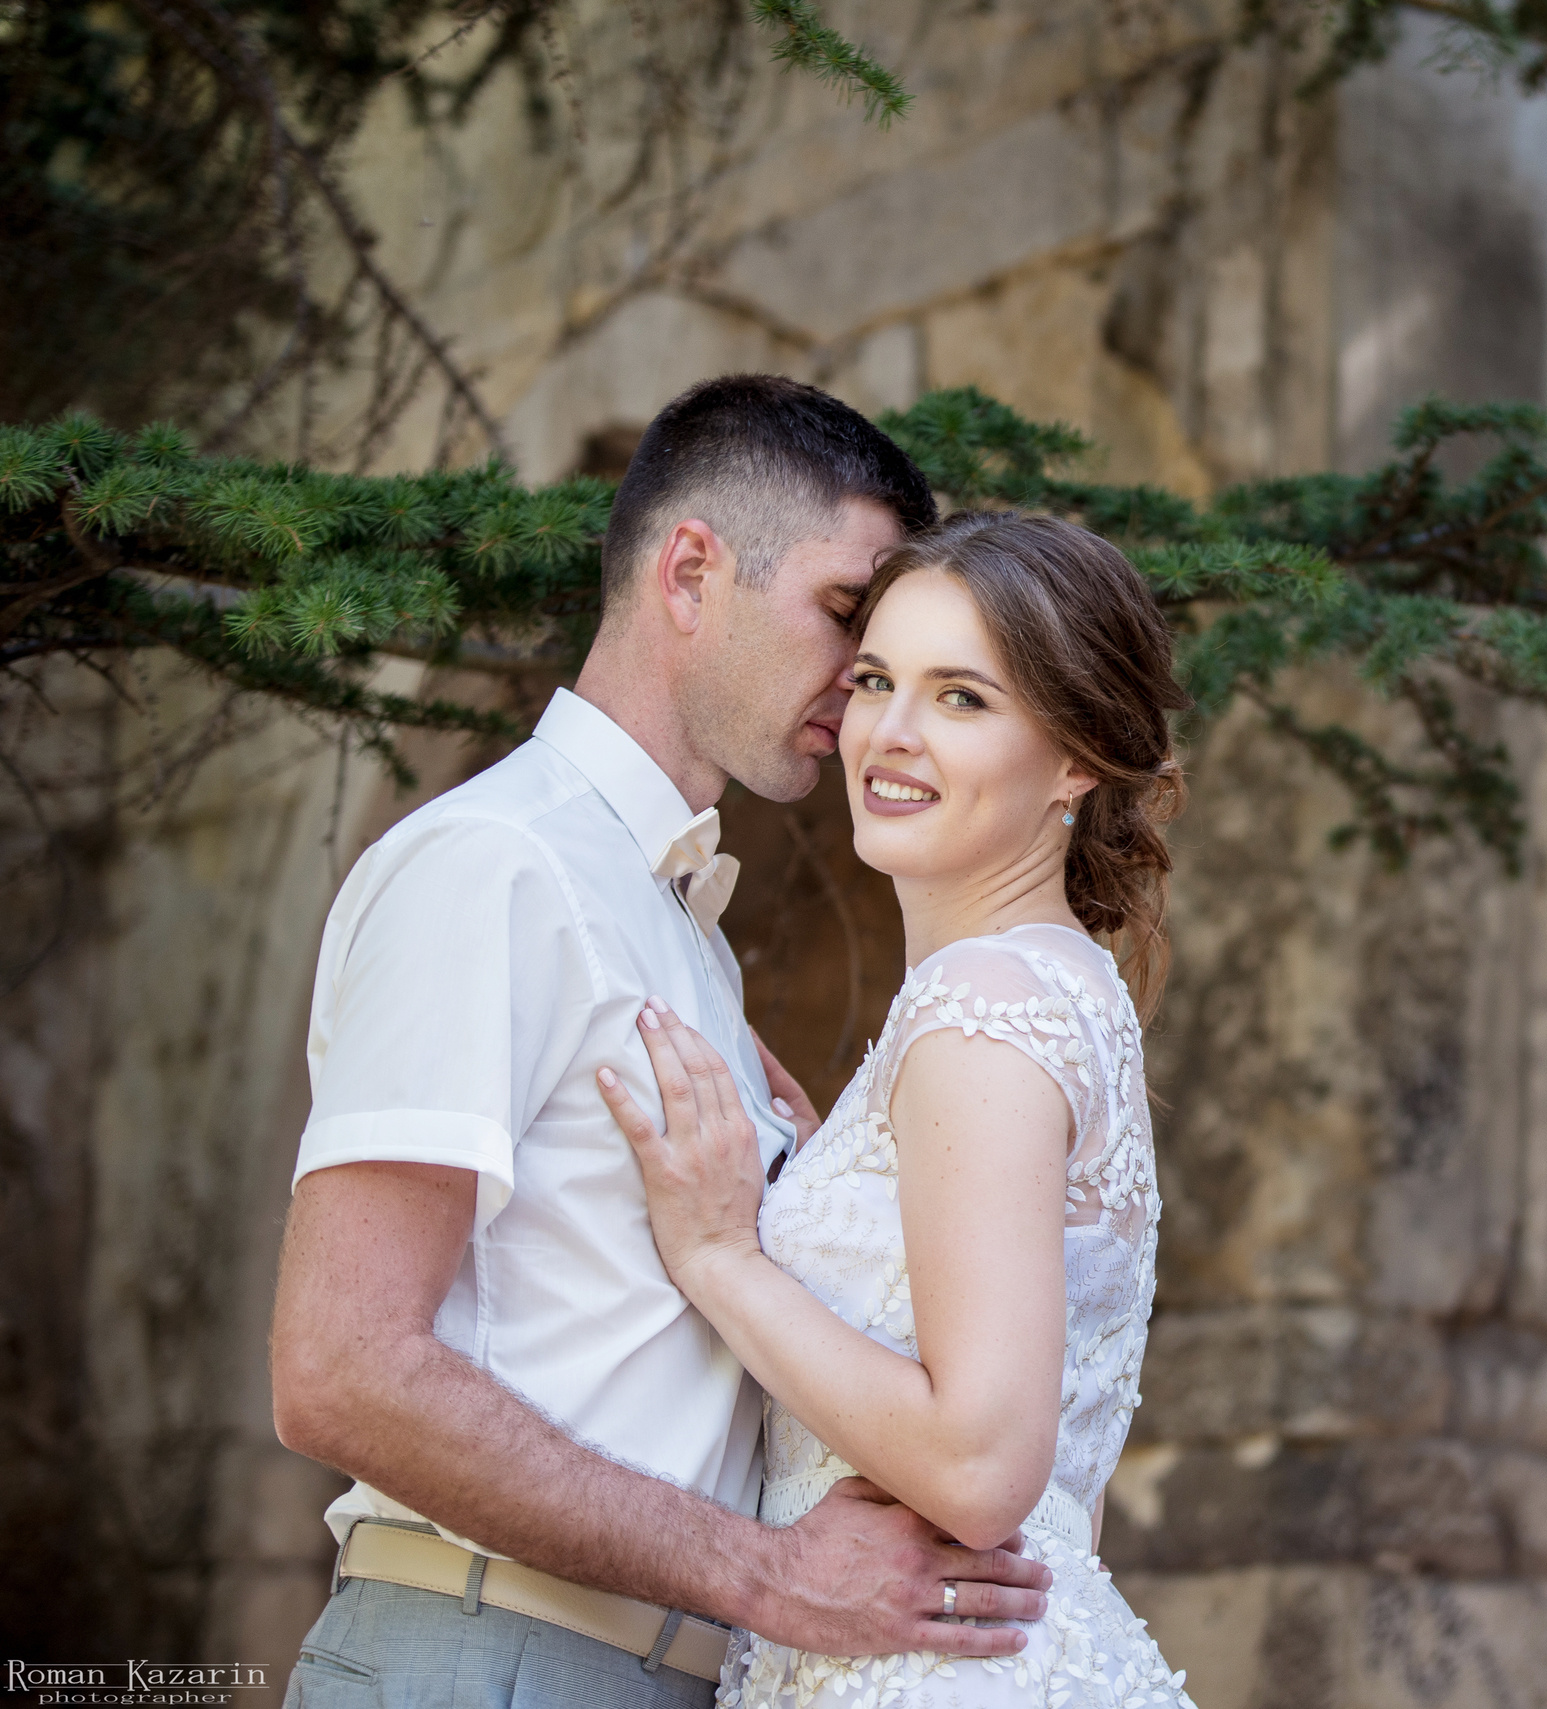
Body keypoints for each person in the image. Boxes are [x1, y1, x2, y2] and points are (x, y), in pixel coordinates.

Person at [269, 377, 1053, 1707]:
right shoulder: (496, 865)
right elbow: (340, 1372)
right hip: (492, 1662)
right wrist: (765, 1573)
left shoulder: (673, 922)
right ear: (692, 569)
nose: (863, 685)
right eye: (845, 617)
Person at [597, 510, 1196, 1707]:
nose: (891, 733)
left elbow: (979, 1464)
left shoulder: (983, 1004)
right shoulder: (1054, 981)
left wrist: (720, 1253)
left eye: (963, 698)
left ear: (1076, 755)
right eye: (875, 679)